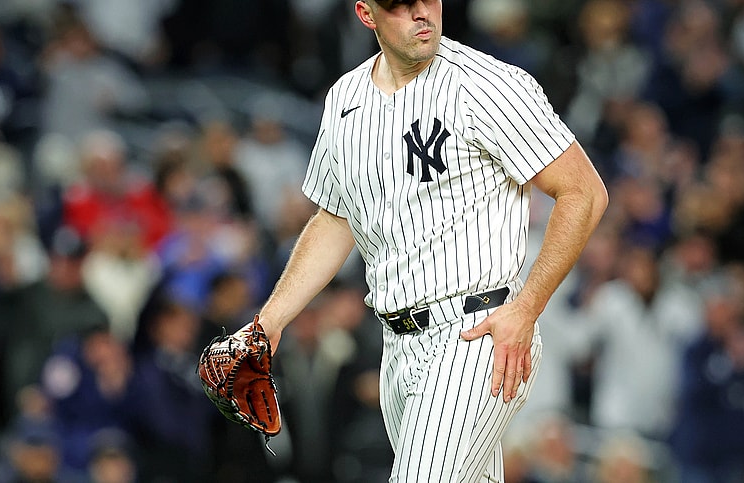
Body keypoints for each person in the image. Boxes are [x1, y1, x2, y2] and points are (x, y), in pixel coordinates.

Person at [240, 1, 608, 481]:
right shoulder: (345, 99)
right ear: (366, 14)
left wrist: (528, 306)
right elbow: (334, 221)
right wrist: (268, 322)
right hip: (396, 347)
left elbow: (584, 192)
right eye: (400, 4)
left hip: (476, 332)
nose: (420, 13)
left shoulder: (486, 84)